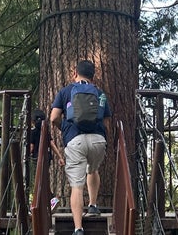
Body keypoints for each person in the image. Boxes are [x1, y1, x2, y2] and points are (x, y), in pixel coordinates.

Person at [50, 60, 111, 235]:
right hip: (98, 140)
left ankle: (78, 228)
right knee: (93, 170)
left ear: (74, 73)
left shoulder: (65, 91)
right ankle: (93, 205)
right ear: (93, 76)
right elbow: (106, 121)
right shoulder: (99, 93)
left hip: (75, 140)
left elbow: (53, 118)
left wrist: (66, 129)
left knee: (77, 186)